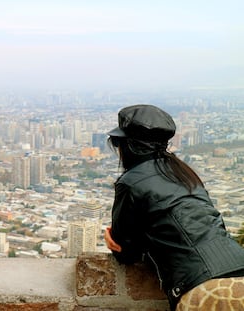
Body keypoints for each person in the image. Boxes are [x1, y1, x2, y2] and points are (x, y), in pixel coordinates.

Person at [104, 104, 244, 310]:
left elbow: (126, 251)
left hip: (205, 288)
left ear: (128, 146)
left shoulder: (131, 182)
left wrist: (113, 242)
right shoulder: (184, 173)